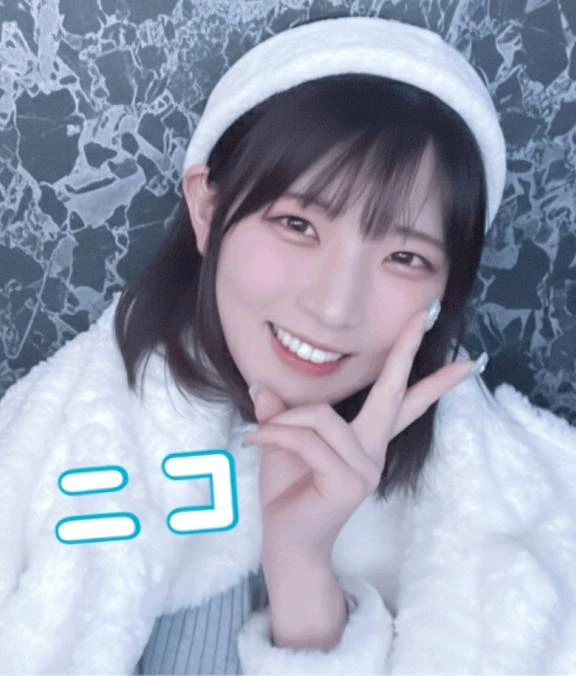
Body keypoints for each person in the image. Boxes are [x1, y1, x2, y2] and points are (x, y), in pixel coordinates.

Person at [0, 16, 574, 675]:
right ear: (208, 210)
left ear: (448, 287)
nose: (333, 307)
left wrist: (302, 566)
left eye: (405, 257)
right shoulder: (42, 459)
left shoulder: (526, 527)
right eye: (298, 224)